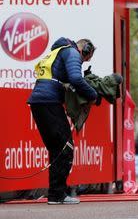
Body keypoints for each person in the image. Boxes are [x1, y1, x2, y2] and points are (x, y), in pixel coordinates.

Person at [27, 37, 97, 205]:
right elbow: (76, 78)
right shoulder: (72, 52)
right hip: (49, 102)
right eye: (86, 58)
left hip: (38, 102)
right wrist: (92, 95)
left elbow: (64, 80)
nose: (83, 61)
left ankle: (56, 194)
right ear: (84, 50)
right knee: (66, 146)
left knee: (56, 148)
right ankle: (57, 195)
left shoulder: (57, 52)